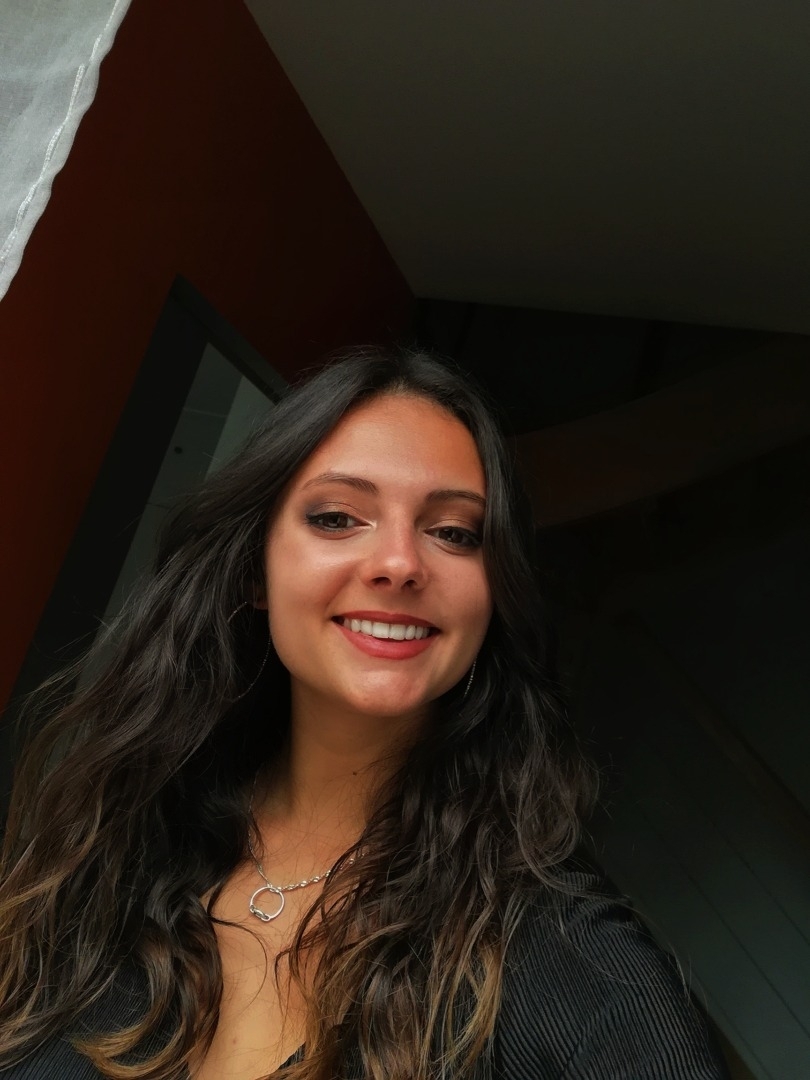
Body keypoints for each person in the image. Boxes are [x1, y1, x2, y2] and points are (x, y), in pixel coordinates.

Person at [0, 349, 728, 1079]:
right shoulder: (106, 852)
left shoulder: (579, 971)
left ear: (495, 594)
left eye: (454, 532)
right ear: (255, 569)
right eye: (337, 517)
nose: (401, 563)